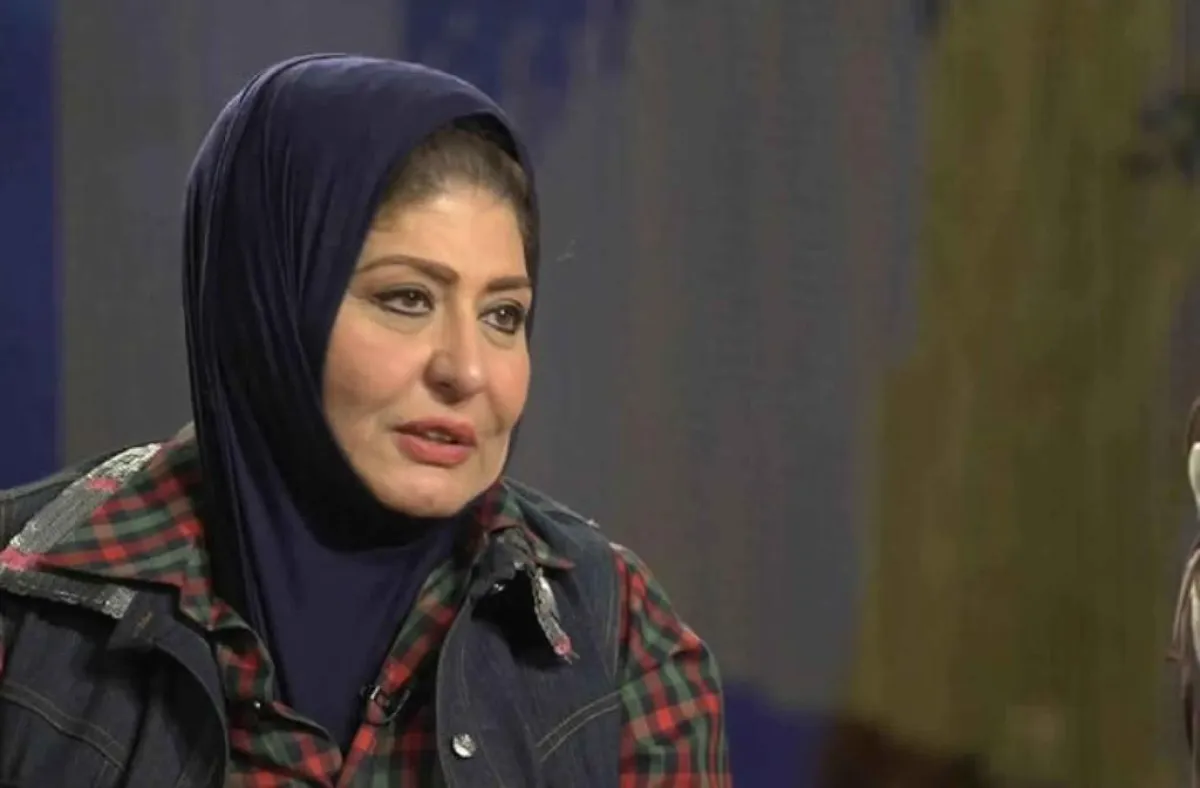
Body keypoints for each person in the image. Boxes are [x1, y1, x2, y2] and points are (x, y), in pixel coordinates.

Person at [0, 55, 728, 786]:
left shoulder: (615, 635)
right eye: (407, 299)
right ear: (269, 308)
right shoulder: (19, 609)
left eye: (503, 315)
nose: (468, 371)